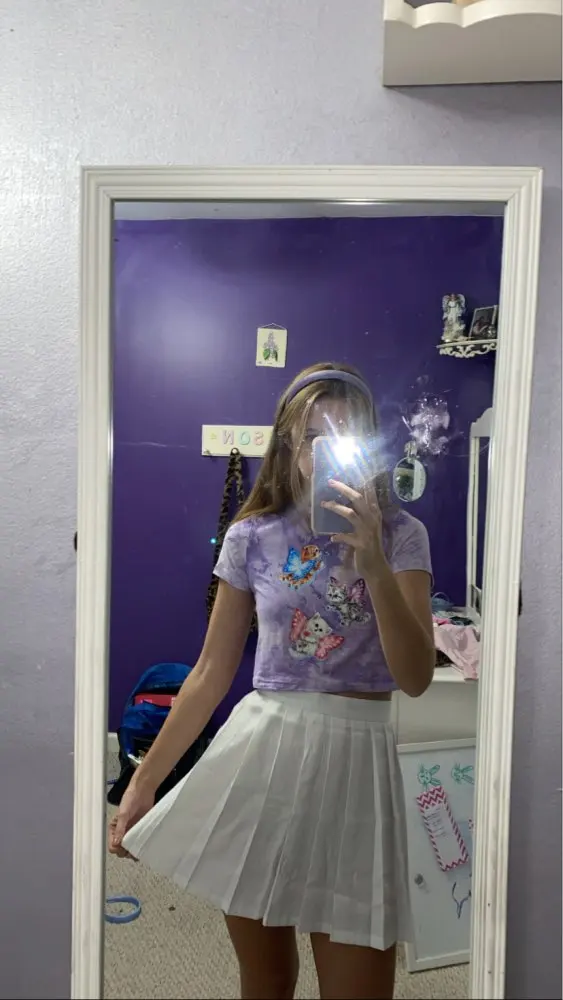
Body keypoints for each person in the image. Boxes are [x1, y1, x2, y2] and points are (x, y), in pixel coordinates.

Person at [109, 362, 435, 1000]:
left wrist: (372, 562)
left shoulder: (402, 536)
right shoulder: (251, 536)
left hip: (358, 769)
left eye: (346, 434)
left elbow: (417, 677)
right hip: (264, 758)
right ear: (288, 445)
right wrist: (141, 785)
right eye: (314, 435)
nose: (327, 449)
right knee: (267, 980)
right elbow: (209, 673)